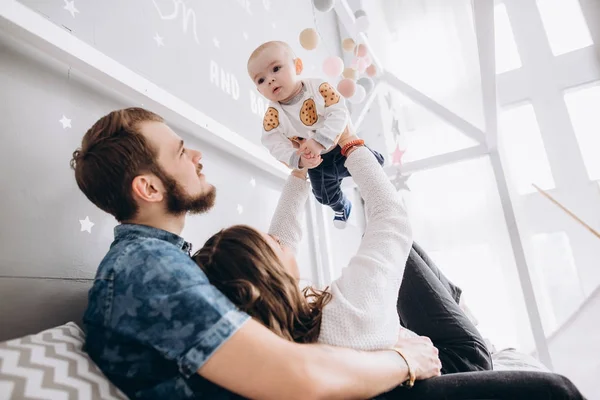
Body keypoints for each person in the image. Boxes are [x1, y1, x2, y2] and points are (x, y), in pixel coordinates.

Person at [70, 107, 440, 400]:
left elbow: (277, 255)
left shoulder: (174, 264)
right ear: (149, 187)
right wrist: (404, 360)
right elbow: (300, 377)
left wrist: (298, 175)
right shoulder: (147, 269)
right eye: (181, 152)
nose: (196, 155)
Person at [193, 127, 587, 399]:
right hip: (462, 358)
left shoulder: (287, 347)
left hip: (409, 361)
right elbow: (391, 218)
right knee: (393, 244)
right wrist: (352, 144)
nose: (280, 240)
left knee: (399, 257)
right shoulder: (347, 311)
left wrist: (301, 171)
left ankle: (455, 300)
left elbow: (285, 236)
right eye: (271, 244)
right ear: (270, 274)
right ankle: (459, 305)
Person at [248, 40, 384, 229]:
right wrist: (299, 159)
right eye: (260, 80)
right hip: (315, 161)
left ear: (297, 66)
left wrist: (320, 141)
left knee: (370, 165)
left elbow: (338, 112)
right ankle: (342, 206)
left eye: (276, 68)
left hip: (341, 145)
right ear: (259, 90)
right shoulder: (273, 116)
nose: (270, 79)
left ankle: (377, 180)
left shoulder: (318, 87)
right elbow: (272, 143)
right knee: (323, 195)